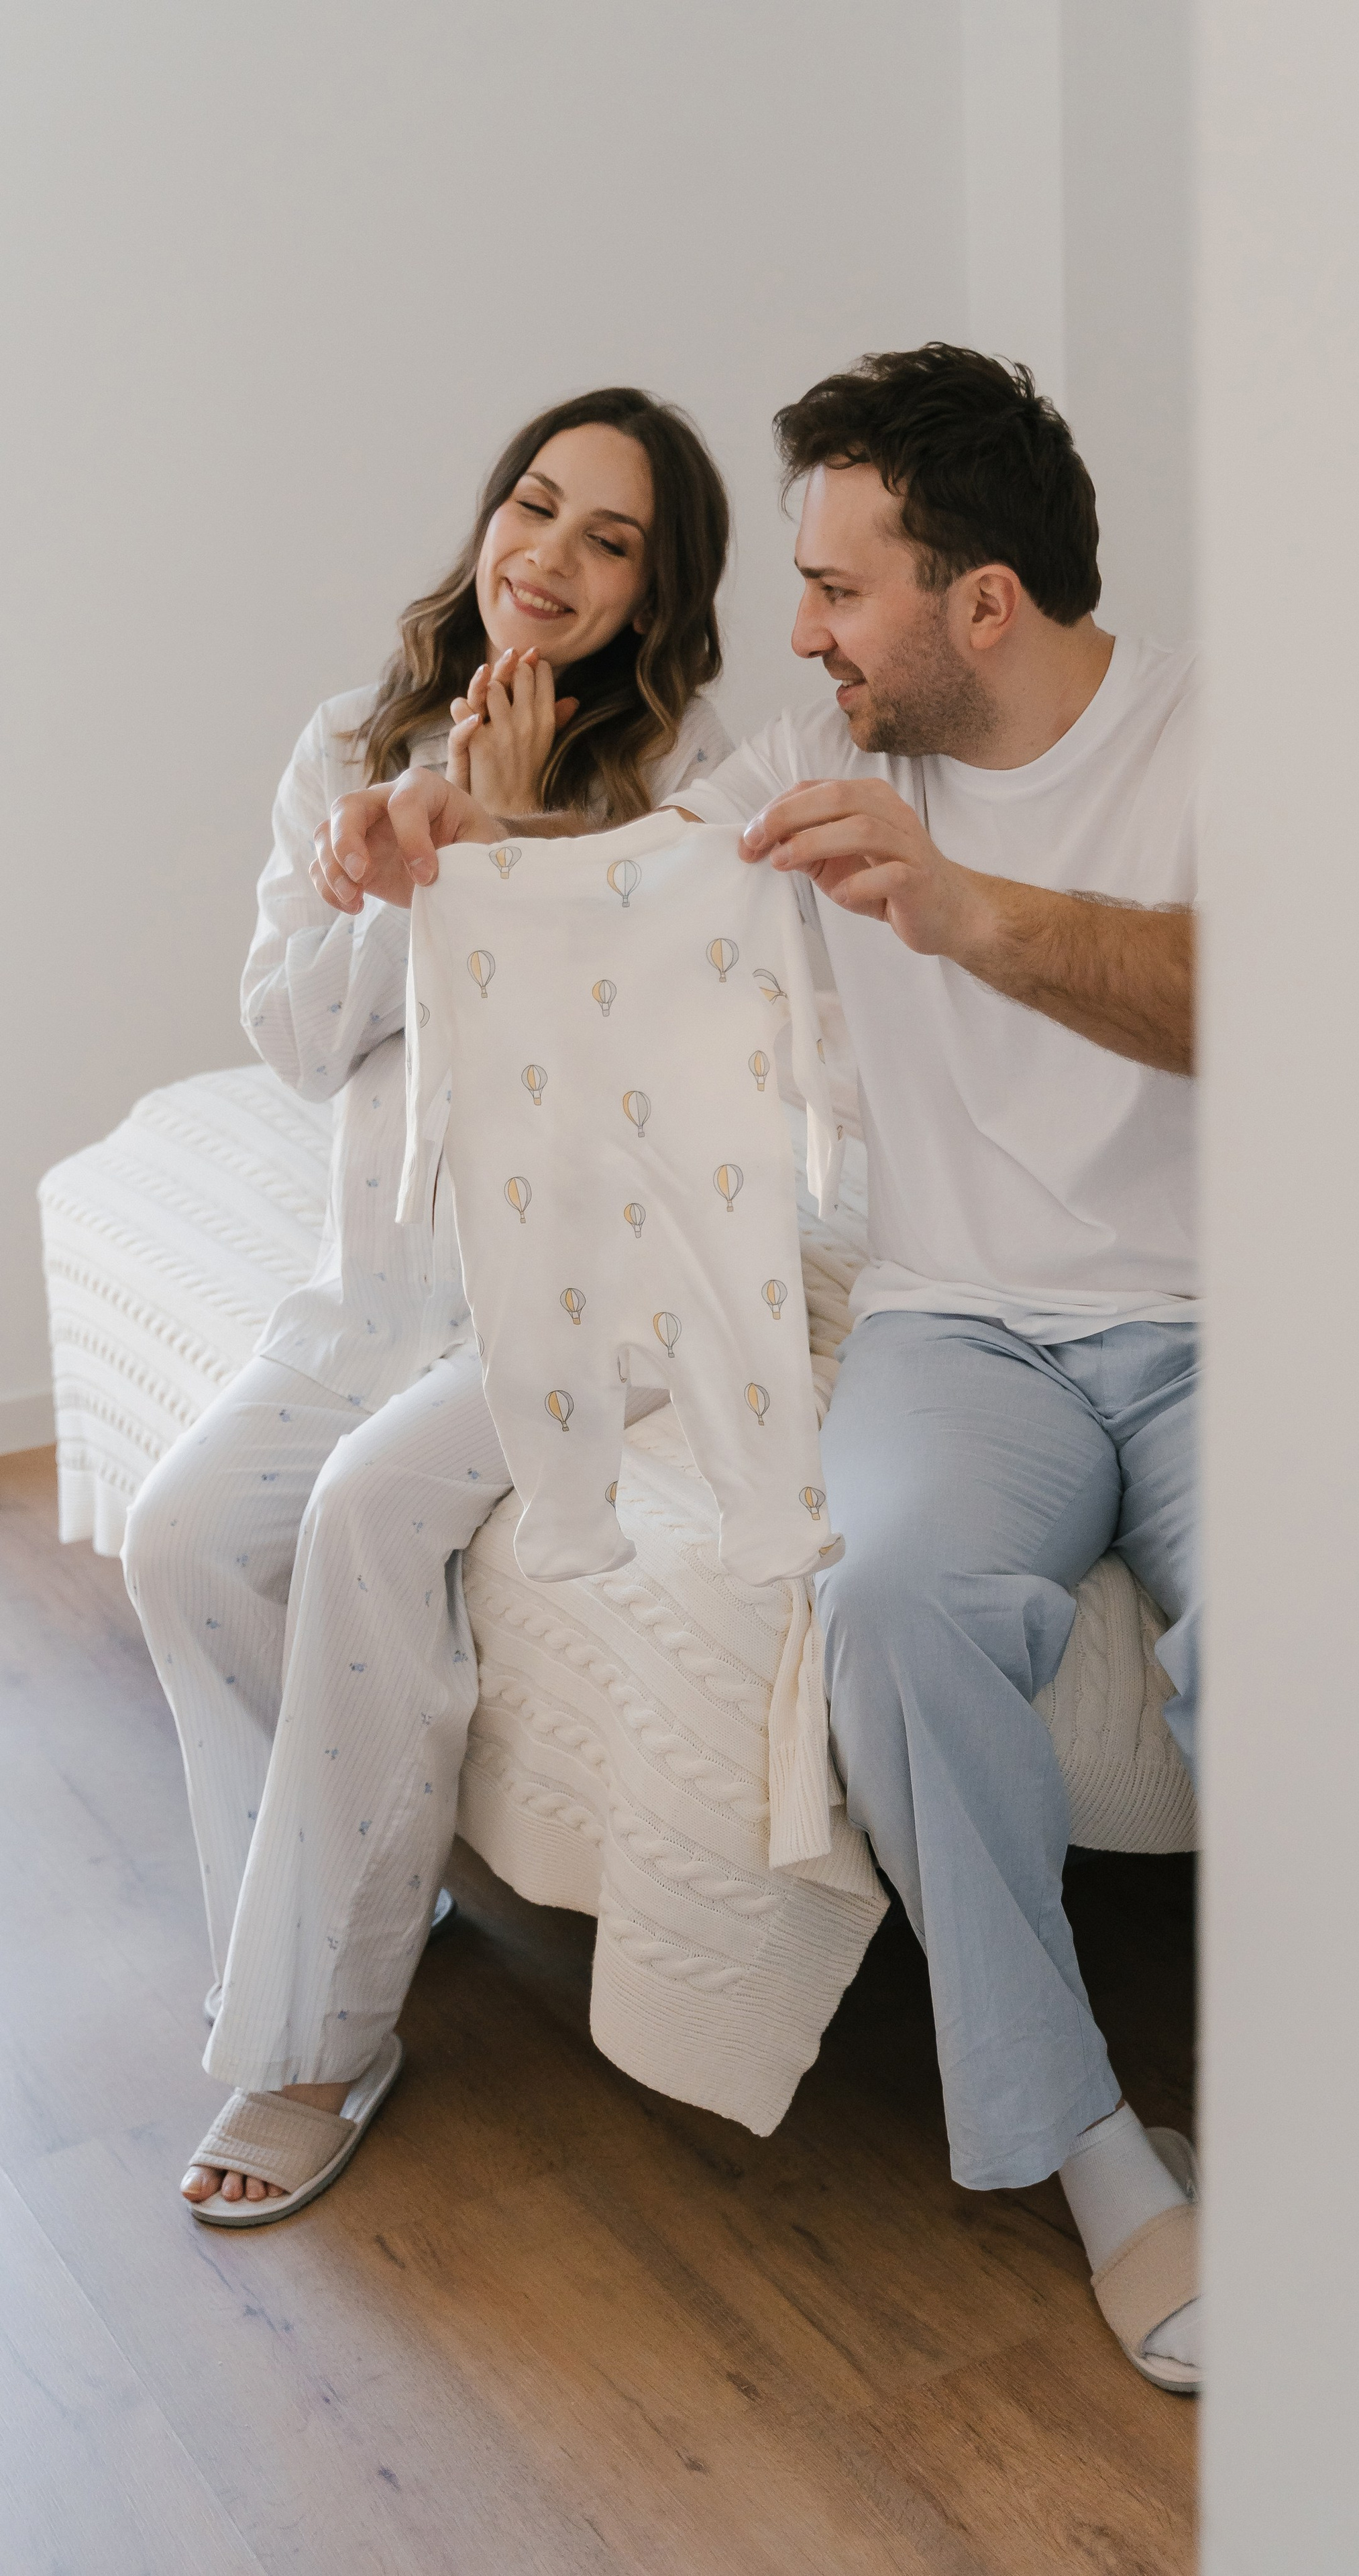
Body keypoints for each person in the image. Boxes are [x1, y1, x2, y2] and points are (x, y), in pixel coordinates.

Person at [316, 346, 1202, 2394]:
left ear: (984, 603)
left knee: (1300, 1631)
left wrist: (974, 912)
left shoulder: (1208, 740)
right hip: (954, 1328)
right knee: (881, 1608)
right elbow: (609, 873)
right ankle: (1084, 2142)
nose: (795, 635)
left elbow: (1270, 998)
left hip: (1224, 1321)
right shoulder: (826, 748)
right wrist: (430, 831)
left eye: (838, 589)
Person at [121, 388, 732, 2217]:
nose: (547, 558)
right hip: (380, 1285)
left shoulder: (691, 772)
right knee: (180, 1541)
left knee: (373, 1510)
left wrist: (513, 842)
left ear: (652, 591)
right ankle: (329, 1895)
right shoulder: (348, 740)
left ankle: (318, 2036)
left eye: (606, 540)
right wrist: (424, 849)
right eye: (533, 508)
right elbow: (302, 1039)